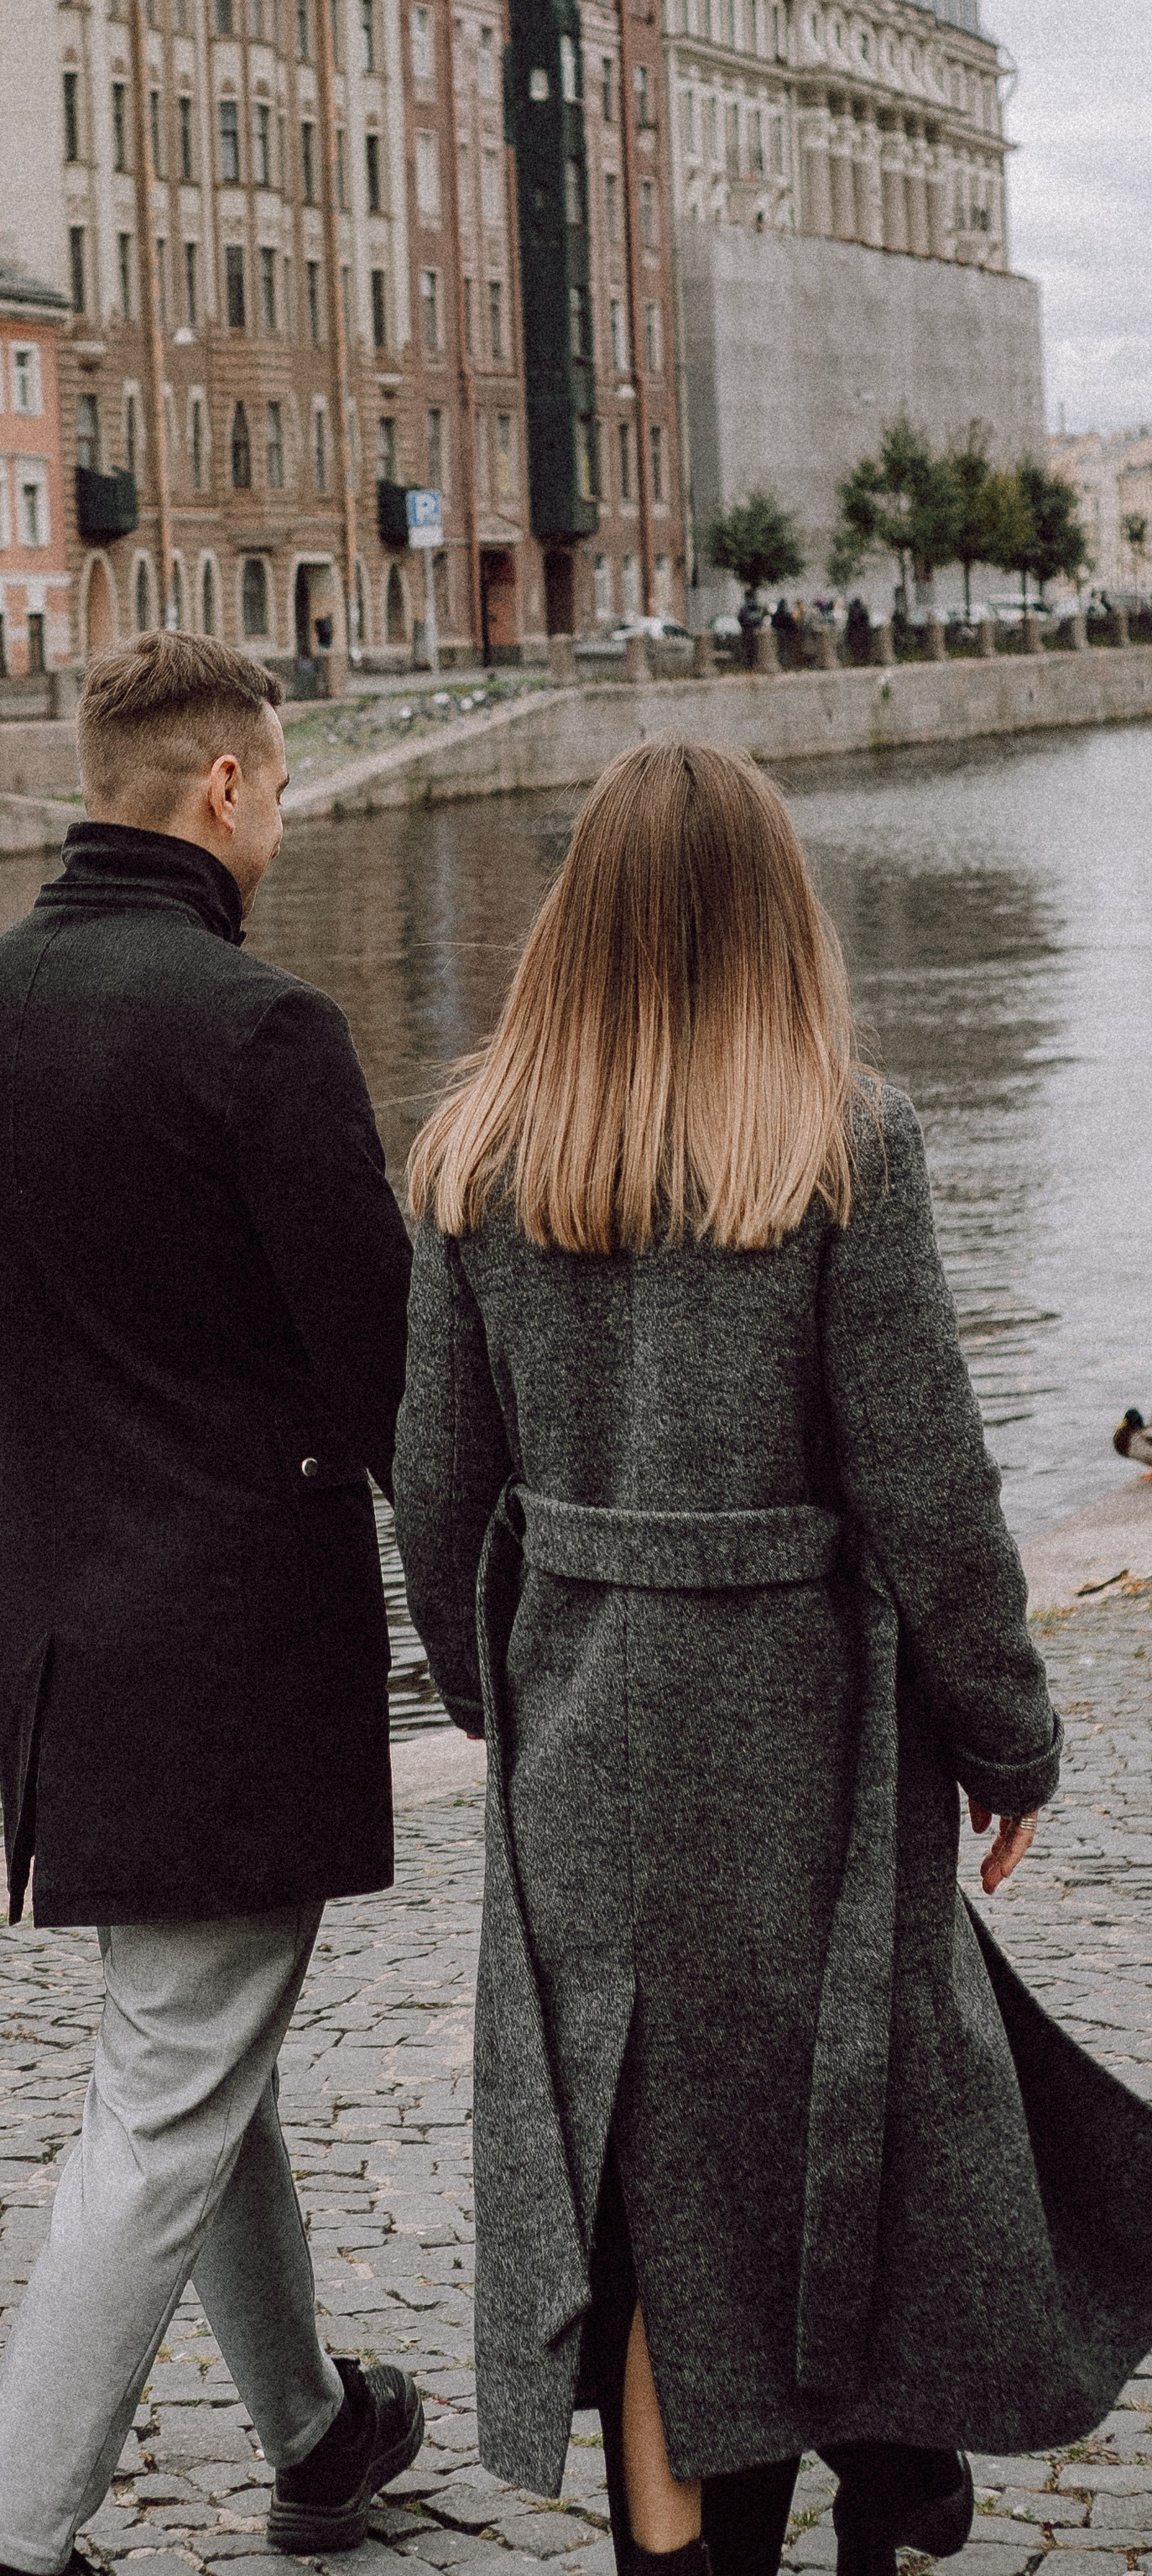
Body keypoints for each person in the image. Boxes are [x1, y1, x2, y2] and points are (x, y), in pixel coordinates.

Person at [391, 736, 1152, 2576]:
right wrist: (1006, 1737)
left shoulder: (473, 1153)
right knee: (854, 2096)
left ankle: (721, 2545)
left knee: (654, 2183)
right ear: (772, 914)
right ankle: (882, 2481)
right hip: (805, 1734)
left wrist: (512, 1699)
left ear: (572, 920)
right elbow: (926, 1480)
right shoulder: (837, 1142)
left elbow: (431, 1494)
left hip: (584, 1753)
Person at [0, 633, 423, 2576]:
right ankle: (12, 2538)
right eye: (275, 786)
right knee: (170, 2080)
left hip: (63, 1646)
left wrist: (28, 1605)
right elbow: (380, 1381)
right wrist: (477, 1621)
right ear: (219, 786)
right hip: (229, 1651)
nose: (276, 817)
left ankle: (313, 2424)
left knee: (195, 2053)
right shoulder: (254, 1028)